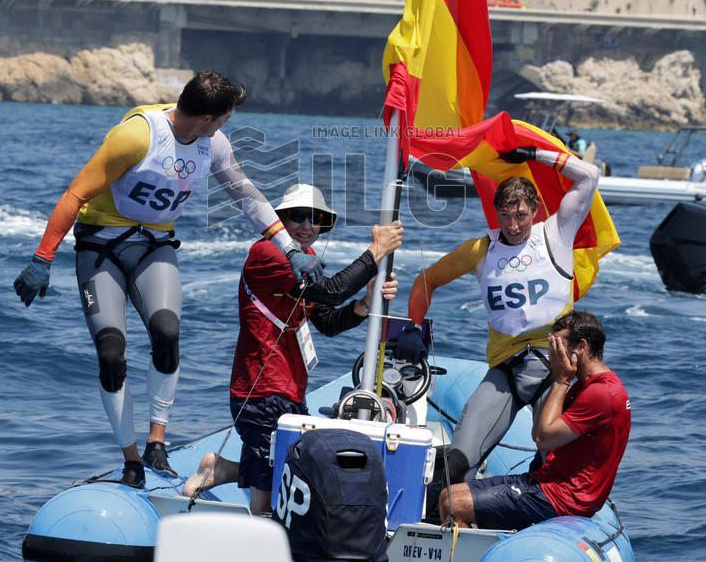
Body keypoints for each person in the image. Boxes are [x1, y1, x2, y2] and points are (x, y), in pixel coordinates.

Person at [13, 72, 323, 488]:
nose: (227, 125)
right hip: (99, 246)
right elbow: (75, 195)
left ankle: (157, 441)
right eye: (227, 117)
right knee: (111, 352)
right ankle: (130, 459)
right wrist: (42, 258)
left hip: (154, 244)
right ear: (210, 116)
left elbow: (247, 196)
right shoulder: (137, 136)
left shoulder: (213, 144)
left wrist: (288, 248)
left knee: (166, 332)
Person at [182, 183, 403, 512]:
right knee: (271, 493)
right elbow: (330, 290)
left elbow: (327, 320)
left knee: (292, 468)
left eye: (315, 218)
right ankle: (260, 541)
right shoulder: (268, 253)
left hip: (290, 390)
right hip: (260, 392)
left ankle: (222, 469)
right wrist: (375, 252)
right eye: (296, 217)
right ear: (279, 221)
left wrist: (364, 303)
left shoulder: (308, 259)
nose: (307, 225)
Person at [399, 144, 600, 485]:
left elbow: (589, 175)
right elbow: (426, 280)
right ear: (496, 213)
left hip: (557, 372)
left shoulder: (556, 233)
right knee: (458, 462)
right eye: (505, 216)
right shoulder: (480, 250)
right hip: (506, 371)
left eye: (521, 215)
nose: (514, 225)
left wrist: (536, 154)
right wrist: (415, 330)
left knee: (555, 464)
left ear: (534, 210)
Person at [438, 310, 631, 529]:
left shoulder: (601, 392)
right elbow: (544, 431)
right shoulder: (585, 385)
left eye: (558, 346)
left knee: (454, 505)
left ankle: (465, 561)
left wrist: (560, 381)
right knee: (449, 495)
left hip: (563, 497)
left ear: (582, 347)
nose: (552, 355)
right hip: (546, 482)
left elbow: (542, 437)